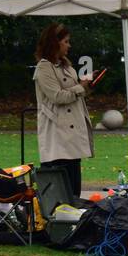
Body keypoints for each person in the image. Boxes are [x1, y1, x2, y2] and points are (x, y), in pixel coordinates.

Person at [33, 22, 94, 203]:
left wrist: (87, 85)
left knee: (74, 190)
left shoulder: (67, 66)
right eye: (66, 41)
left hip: (72, 138)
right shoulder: (44, 68)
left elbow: (74, 92)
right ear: (55, 43)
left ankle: (74, 226)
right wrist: (81, 87)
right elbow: (58, 96)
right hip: (58, 138)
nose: (69, 45)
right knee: (60, 195)